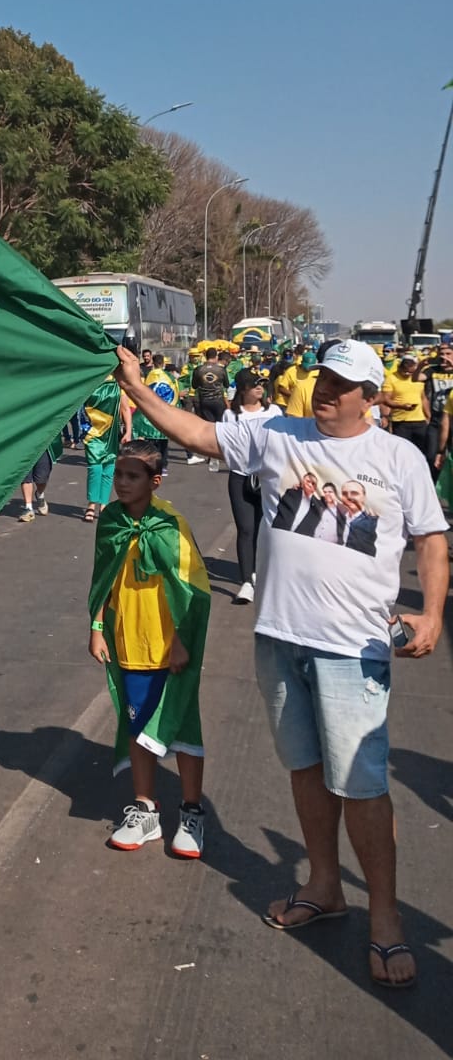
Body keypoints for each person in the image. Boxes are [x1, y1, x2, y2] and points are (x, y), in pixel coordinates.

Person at [116, 338, 448, 991]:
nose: (326, 391)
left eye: (343, 385)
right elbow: (199, 433)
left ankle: (386, 919)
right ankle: (324, 885)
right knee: (304, 768)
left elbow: (432, 540)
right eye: (323, 377)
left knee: (363, 785)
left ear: (370, 397)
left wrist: (433, 615)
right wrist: (135, 387)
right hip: (279, 637)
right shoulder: (276, 434)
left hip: (354, 648)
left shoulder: (398, 457)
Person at [88, 439, 211, 858]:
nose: (121, 483)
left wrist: (179, 639)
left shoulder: (170, 524)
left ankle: (192, 810)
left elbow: (191, 589)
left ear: (154, 481)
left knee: (181, 728)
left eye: (132, 476)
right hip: (129, 643)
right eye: (119, 474)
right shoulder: (112, 521)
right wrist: (98, 626)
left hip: (169, 649)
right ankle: (145, 810)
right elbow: (102, 579)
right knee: (137, 726)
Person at [222, 371, 271, 604]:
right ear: (243, 389)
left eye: (262, 384)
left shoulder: (274, 412)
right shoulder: (230, 415)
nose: (259, 388)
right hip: (240, 477)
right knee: (246, 529)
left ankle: (261, 574)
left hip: (268, 478)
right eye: (254, 385)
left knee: (265, 530)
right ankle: (246, 582)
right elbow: (225, 446)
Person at [82, 374, 131, 523]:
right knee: (95, 469)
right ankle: (91, 504)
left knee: (108, 470)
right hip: (93, 433)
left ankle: (103, 505)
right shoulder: (89, 380)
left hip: (112, 433)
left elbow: (125, 409)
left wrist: (128, 431)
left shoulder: (117, 383)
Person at [133, 355, 177, 472]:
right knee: (163, 441)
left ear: (153, 362)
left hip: (151, 412)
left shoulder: (150, 376)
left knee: (152, 441)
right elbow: (175, 394)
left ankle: (153, 465)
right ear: (163, 363)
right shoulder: (169, 377)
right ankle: (163, 466)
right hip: (165, 412)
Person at [188, 348, 227, 469]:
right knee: (220, 427)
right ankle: (220, 452)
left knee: (209, 427)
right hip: (218, 400)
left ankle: (211, 453)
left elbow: (194, 385)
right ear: (215, 356)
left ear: (205, 356)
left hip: (205, 400)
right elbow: (227, 384)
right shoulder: (221, 370)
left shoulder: (198, 369)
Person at [380, 355, 427, 450]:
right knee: (403, 449)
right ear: (399, 367)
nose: (407, 374)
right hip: (400, 422)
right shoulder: (391, 379)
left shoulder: (417, 378)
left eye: (410, 371)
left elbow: (423, 398)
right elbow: (385, 399)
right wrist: (386, 416)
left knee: (421, 450)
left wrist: (428, 416)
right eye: (404, 371)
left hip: (420, 421)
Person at [421, 342, 453, 480]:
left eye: (448, 354)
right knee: (432, 455)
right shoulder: (433, 370)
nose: (444, 357)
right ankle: (433, 485)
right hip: (437, 417)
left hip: (451, 418)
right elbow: (416, 378)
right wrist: (421, 366)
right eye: (442, 354)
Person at [19, 435, 62, 521]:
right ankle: (28, 508)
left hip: (43, 443)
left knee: (41, 479)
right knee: (25, 476)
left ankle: (39, 494)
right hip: (23, 444)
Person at [284, 350, 320, 417]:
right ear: (301, 362)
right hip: (295, 406)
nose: (308, 369)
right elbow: (281, 387)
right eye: (306, 367)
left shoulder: (318, 372)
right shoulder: (291, 371)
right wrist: (295, 395)